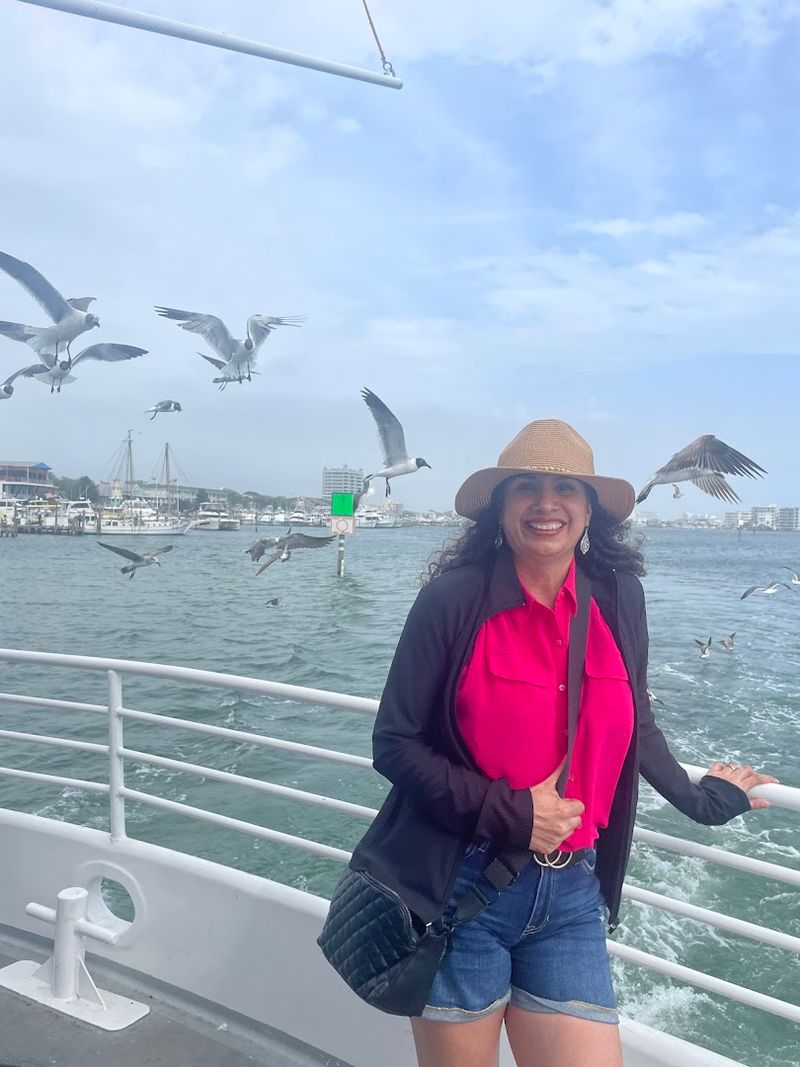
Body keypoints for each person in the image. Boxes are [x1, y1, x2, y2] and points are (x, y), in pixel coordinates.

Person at [348, 419, 777, 1067]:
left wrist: (706, 799)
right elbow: (395, 742)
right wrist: (514, 811)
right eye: (526, 487)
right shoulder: (452, 601)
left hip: (574, 892)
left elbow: (638, 721)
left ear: (588, 509)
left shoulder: (619, 596)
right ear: (501, 506)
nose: (546, 502)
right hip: (462, 888)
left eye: (565, 487)